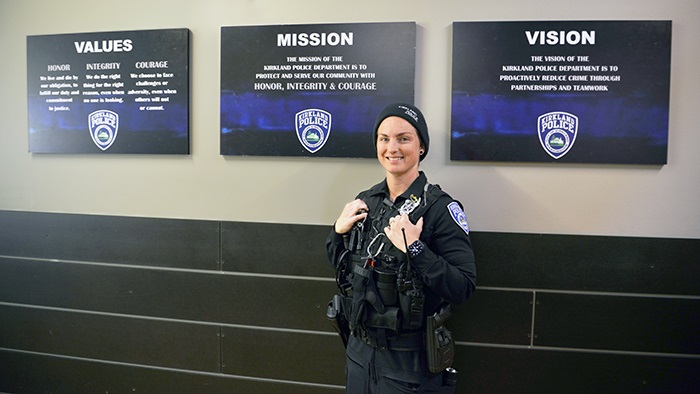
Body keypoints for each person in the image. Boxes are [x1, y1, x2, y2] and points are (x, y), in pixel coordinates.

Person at [326, 103, 477, 393]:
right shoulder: (365, 202)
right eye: (384, 138)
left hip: (409, 364)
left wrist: (415, 248)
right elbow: (343, 268)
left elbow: (463, 286)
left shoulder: (440, 209)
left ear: (421, 147)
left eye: (403, 138)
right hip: (359, 355)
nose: (392, 147)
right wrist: (336, 232)